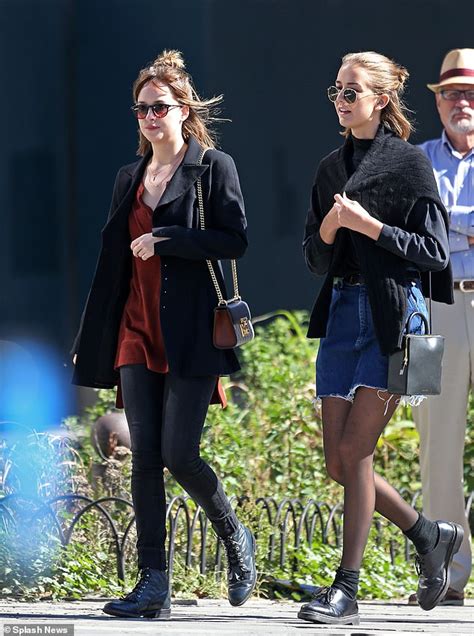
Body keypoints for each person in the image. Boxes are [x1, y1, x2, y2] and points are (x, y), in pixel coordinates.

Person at [70, 49, 256, 619]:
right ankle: (154, 584)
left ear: (184, 109)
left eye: (160, 107)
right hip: (134, 325)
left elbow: (235, 240)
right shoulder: (130, 176)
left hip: (191, 329)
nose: (149, 117)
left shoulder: (212, 167)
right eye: (141, 109)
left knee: (179, 453)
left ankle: (234, 535)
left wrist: (169, 239)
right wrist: (93, 333)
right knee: (145, 455)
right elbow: (111, 267)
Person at [299, 51, 464, 626]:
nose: (342, 101)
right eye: (337, 91)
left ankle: (347, 588)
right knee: (338, 463)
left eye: (352, 91)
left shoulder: (408, 165)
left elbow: (434, 254)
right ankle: (430, 534)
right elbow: (315, 258)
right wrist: (330, 225)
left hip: (396, 316)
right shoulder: (329, 168)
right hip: (343, 314)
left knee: (356, 452)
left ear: (381, 99)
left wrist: (371, 227)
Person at [411, 48, 474, 606]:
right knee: (434, 440)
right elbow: (413, 230)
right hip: (429, 308)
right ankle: (446, 571)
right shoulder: (416, 159)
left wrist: (445, 227)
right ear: (437, 100)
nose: (463, 102)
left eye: (471, 93)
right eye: (453, 92)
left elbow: (433, 228)